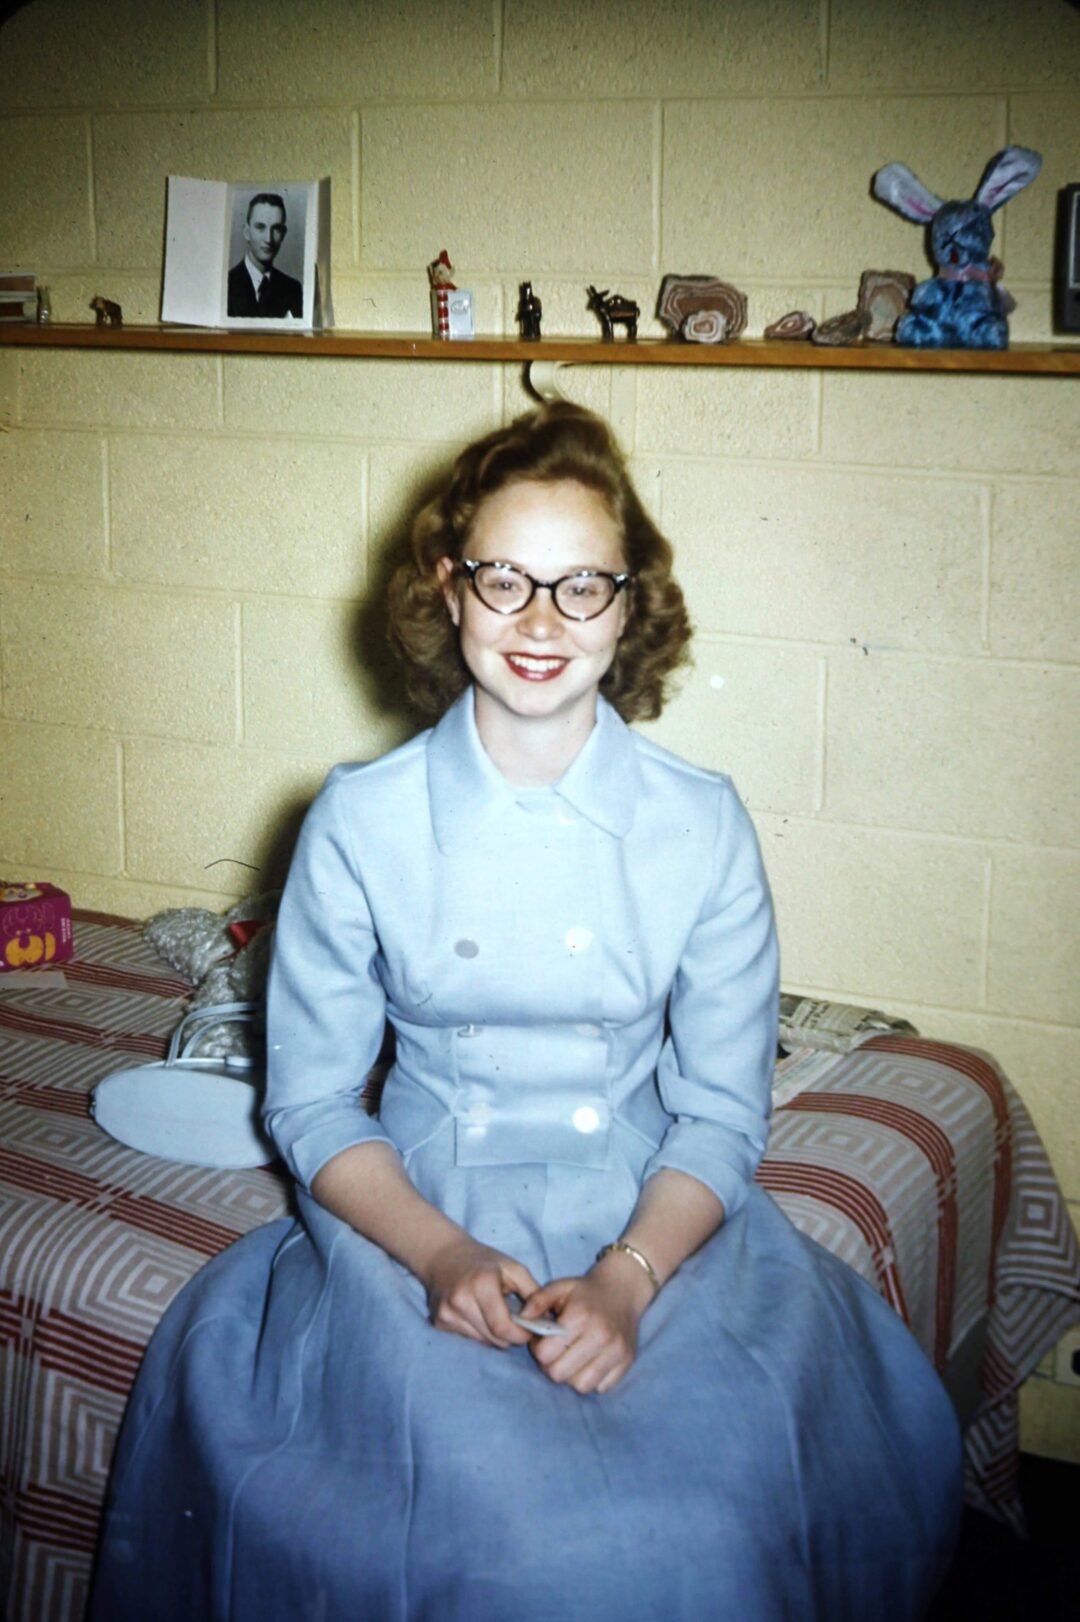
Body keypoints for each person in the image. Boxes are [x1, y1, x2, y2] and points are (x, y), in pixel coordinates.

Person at [89, 403, 963, 1620]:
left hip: (659, 1214)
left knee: (705, 1533)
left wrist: (628, 1281)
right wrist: (440, 1252)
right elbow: (311, 1100)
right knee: (489, 1544)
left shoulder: (702, 821)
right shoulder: (358, 817)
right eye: (505, 579)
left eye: (582, 586)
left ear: (631, 604)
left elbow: (719, 1112)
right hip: (419, 1216)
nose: (543, 622)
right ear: (448, 591)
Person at [227, 192, 303, 318]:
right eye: (260, 227)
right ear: (246, 232)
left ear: (283, 234)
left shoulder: (293, 289)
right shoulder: (226, 286)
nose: (268, 239)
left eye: (276, 229)